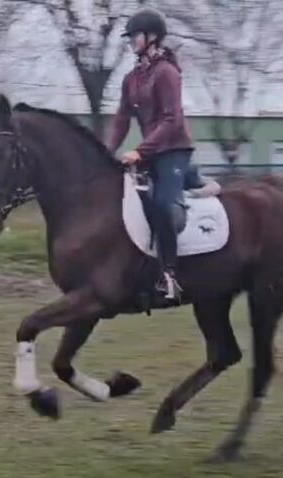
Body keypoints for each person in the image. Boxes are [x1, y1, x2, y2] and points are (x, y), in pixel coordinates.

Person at [106, 7, 195, 302]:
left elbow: (172, 121)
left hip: (174, 150)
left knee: (162, 206)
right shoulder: (131, 78)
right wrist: (106, 152)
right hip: (151, 152)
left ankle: (170, 276)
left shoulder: (167, 73)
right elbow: (121, 119)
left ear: (152, 37)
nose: (131, 41)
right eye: (130, 36)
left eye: (135, 35)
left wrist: (139, 151)